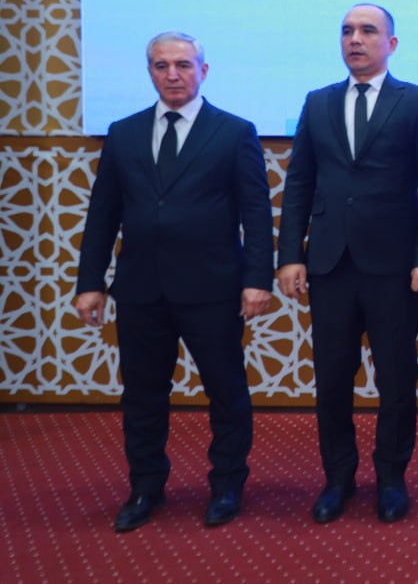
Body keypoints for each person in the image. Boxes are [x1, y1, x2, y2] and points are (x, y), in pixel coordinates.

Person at [74, 31, 274, 532]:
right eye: (161, 65)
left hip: (213, 288)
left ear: (203, 71)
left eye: (183, 64)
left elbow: (255, 212)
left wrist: (258, 280)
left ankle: (227, 485)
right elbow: (103, 213)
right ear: (150, 72)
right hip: (141, 289)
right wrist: (89, 281)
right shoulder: (123, 133)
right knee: (142, 396)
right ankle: (145, 487)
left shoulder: (234, 132)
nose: (172, 74)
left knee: (226, 392)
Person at [276, 3, 418, 525]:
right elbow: (299, 184)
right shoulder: (318, 102)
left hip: (396, 268)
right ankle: (338, 478)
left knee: (396, 378)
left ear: (390, 44)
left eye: (368, 31)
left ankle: (391, 477)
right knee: (332, 377)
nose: (355, 39)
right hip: (329, 264)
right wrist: (290, 255)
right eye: (347, 31)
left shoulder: (417, 102)